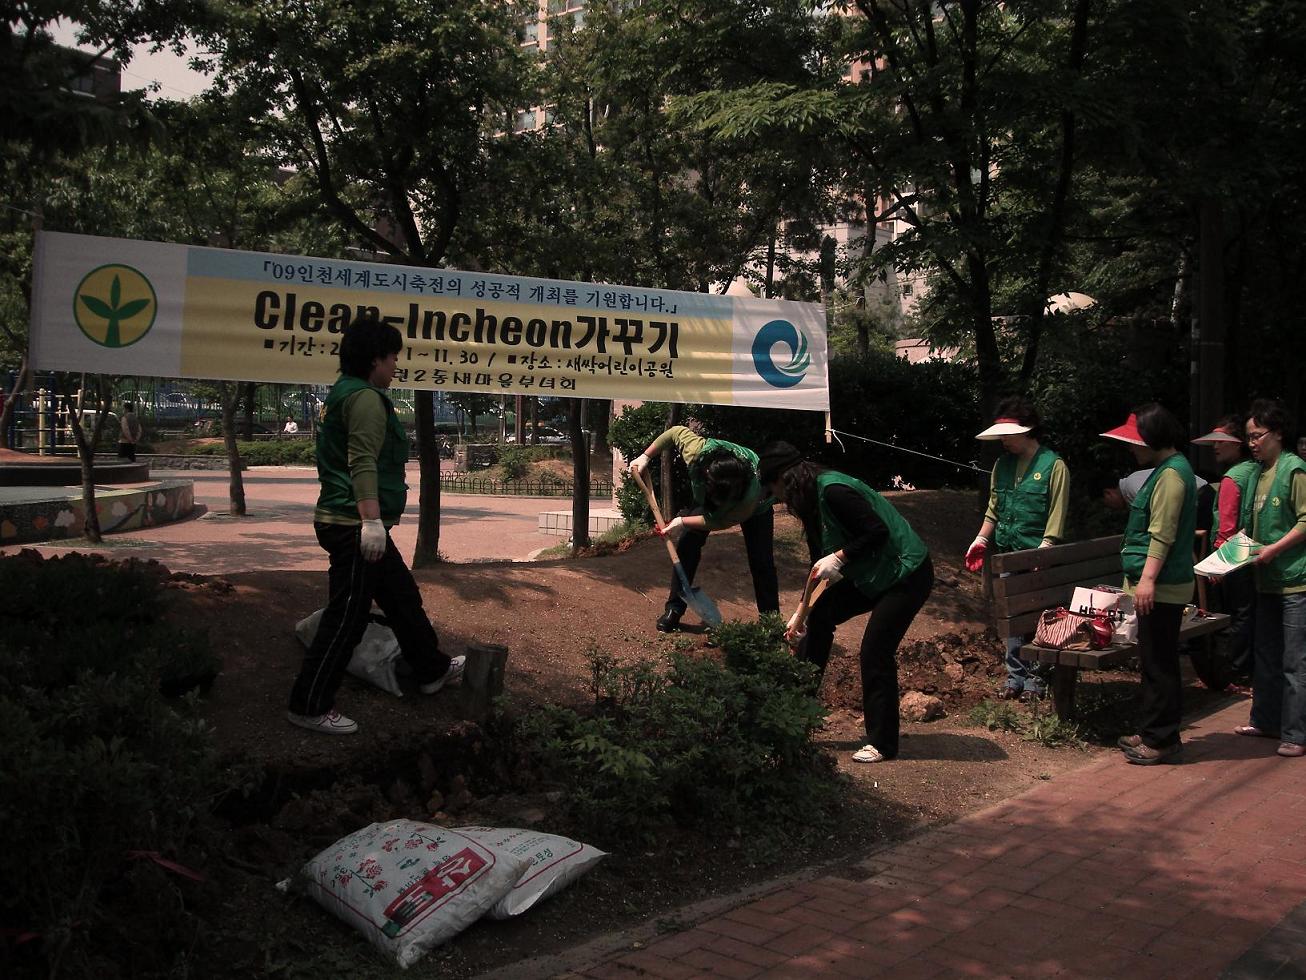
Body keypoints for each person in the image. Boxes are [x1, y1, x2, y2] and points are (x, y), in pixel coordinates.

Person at [287, 317, 464, 735]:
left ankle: (431, 669)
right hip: (353, 524)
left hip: (356, 521)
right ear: (374, 360)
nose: (396, 365)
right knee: (347, 617)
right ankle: (309, 704)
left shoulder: (344, 393)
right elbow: (362, 461)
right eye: (393, 357)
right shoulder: (365, 398)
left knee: (401, 596)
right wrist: (370, 522)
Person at [759, 442, 934, 764]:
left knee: (875, 650)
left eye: (774, 488)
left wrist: (841, 557)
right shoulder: (811, 502)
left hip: (906, 574)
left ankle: (882, 744)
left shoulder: (835, 491)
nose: (778, 498)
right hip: (872, 573)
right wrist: (801, 615)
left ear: (786, 478)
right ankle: (798, 720)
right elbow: (817, 566)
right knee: (818, 620)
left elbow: (876, 533)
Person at [1102, 406, 1197, 765]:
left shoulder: (1172, 476)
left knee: (1160, 664)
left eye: (1135, 442)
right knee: (1155, 661)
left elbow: (1163, 534)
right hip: (1160, 584)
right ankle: (1155, 731)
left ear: (1152, 440)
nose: (1131, 449)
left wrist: (1147, 581)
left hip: (1163, 586)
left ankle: (1161, 739)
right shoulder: (1166, 471)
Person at [964, 398, 1069, 701]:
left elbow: (1056, 515)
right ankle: (1015, 678)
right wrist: (982, 540)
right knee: (1011, 618)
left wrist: (1045, 551)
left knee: (1038, 618)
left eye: (1008, 435)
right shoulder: (1002, 465)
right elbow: (994, 510)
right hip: (1008, 553)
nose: (1003, 441)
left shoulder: (1054, 466)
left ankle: (1036, 680)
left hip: (1038, 557)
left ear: (1027, 431)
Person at [628, 425, 779, 631]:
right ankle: (674, 608)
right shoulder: (697, 452)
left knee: (762, 561)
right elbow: (674, 432)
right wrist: (645, 456)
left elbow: (717, 521)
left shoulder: (749, 498)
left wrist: (681, 521)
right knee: (688, 543)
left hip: (756, 509)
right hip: (714, 491)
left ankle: (770, 624)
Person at [1236, 399, 1306, 759]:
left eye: (1257, 435)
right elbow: (1250, 529)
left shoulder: (1294, 470)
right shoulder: (1258, 473)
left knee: (1295, 662)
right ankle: (1264, 720)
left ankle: (1295, 733)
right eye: (1248, 437)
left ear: (1278, 433)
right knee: (1265, 655)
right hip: (1265, 582)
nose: (1252, 443)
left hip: (1295, 582)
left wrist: (1275, 550)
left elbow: (1305, 521)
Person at [1192, 417, 1260, 682]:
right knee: (1247, 611)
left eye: (1222, 442)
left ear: (1237, 445)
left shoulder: (1233, 478)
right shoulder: (1256, 469)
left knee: (1233, 615)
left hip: (1233, 552)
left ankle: (1234, 671)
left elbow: (1227, 524)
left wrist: (1219, 563)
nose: (1216, 447)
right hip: (1251, 549)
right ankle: (1245, 668)